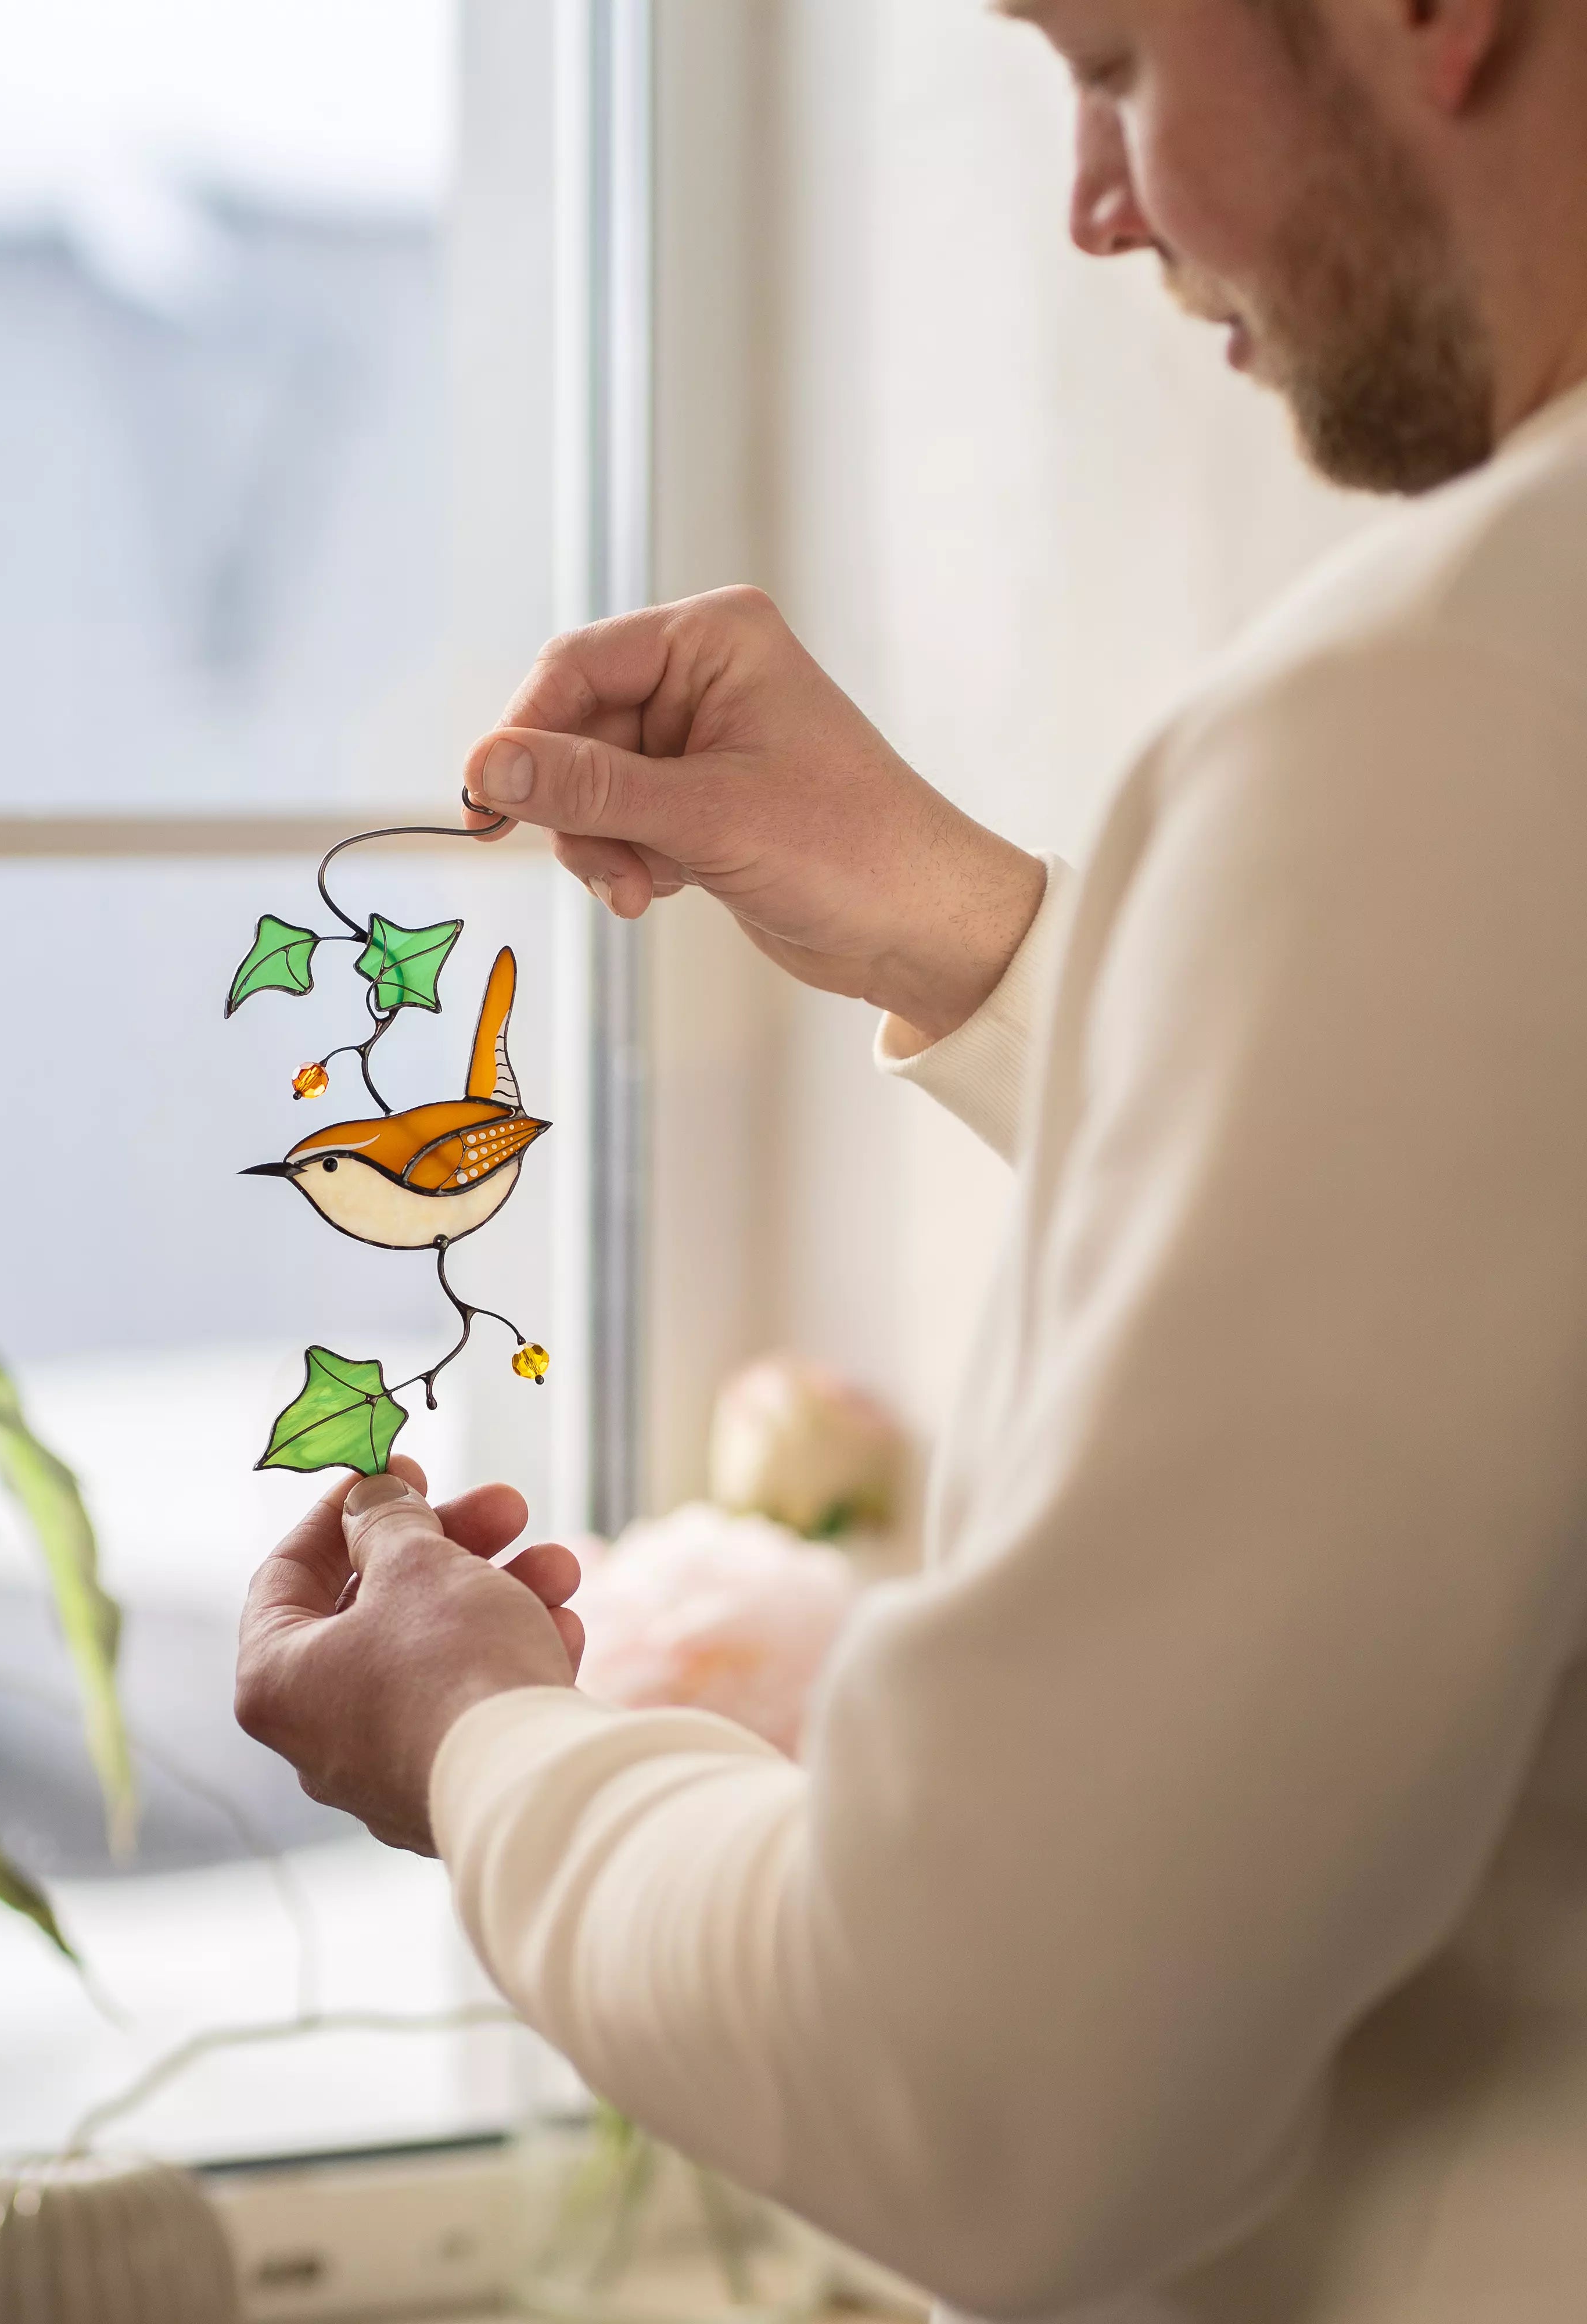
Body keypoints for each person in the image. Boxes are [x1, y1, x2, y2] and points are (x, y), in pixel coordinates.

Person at [235, 0, 1587, 2315]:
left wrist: (479, 1737)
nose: (1091, 202)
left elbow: (966, 2079)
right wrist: (970, 939)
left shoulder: (1440, 705)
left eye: (1117, 64)